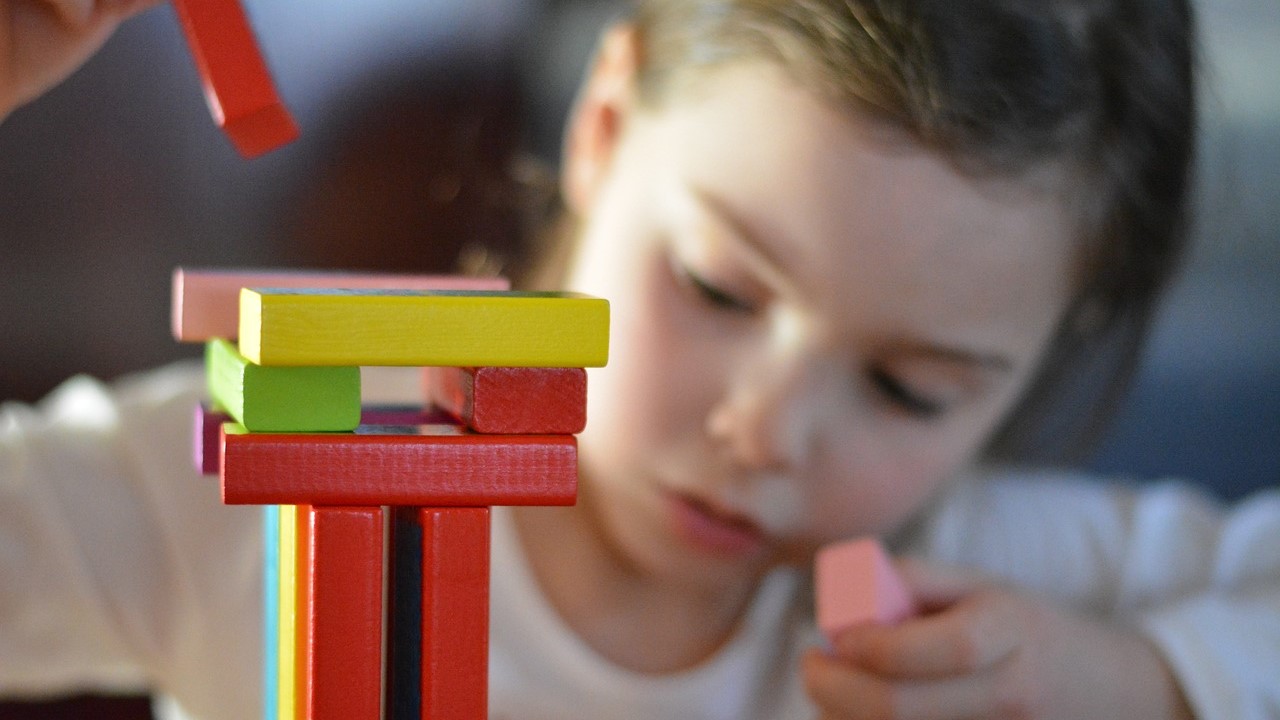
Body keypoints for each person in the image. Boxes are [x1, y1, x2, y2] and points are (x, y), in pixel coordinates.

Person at [1, 1, 1276, 719]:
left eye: (909, 387)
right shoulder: (270, 485)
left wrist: (1141, 681)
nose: (765, 430)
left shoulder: (968, 594)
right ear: (603, 127)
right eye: (717, 287)